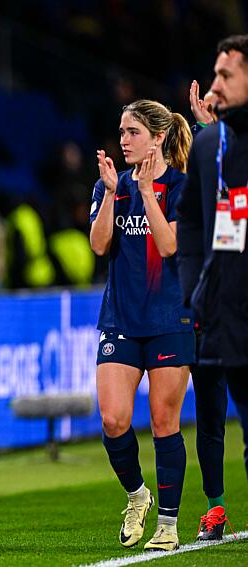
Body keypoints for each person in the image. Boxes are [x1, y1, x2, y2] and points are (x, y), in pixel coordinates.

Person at [90, 99, 194, 552]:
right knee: (113, 419)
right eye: (121, 131)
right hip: (122, 319)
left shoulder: (181, 186)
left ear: (157, 137)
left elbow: (169, 245)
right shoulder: (108, 185)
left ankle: (168, 526)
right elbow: (98, 245)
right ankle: (138, 496)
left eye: (132, 132)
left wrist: (148, 191)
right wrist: (114, 193)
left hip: (170, 318)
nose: (123, 140)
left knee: (163, 421)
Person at [177, 35, 248, 542]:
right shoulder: (209, 147)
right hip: (220, 314)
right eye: (215, 75)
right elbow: (194, 227)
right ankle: (216, 506)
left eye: (227, 75)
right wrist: (194, 293)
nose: (215, 84)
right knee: (213, 419)